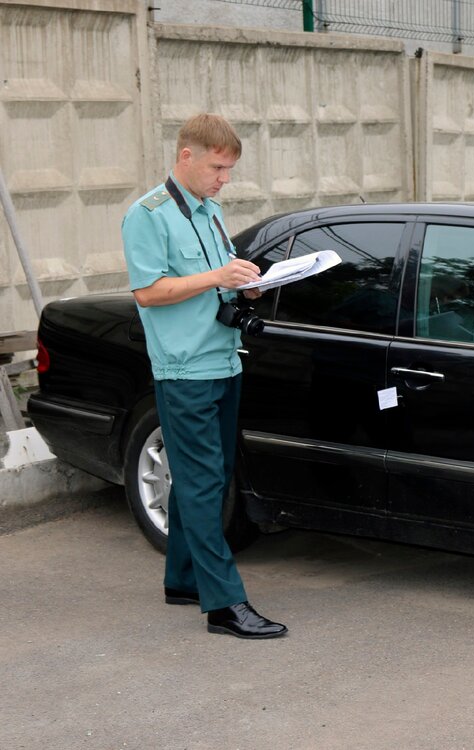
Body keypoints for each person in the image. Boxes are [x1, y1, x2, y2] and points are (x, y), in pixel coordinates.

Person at [121, 113, 286, 639]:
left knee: (212, 480)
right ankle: (223, 604)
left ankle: (184, 578)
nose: (224, 179)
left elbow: (215, 283)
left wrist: (245, 284)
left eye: (230, 169)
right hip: (185, 368)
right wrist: (217, 275)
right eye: (218, 167)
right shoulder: (147, 215)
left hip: (224, 358)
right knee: (200, 482)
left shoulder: (210, 211)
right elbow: (148, 292)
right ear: (186, 156)